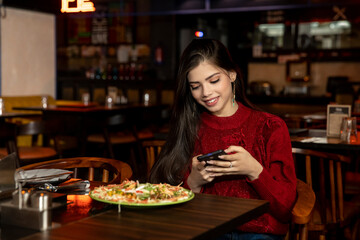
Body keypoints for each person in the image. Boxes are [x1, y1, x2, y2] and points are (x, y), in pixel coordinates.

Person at [149, 39, 297, 240]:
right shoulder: (190, 127)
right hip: (208, 230)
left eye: (214, 80)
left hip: (259, 233)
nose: (206, 93)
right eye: (195, 86)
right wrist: (193, 182)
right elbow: (168, 208)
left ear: (232, 75)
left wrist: (254, 170)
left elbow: (284, 209)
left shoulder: (270, 127)